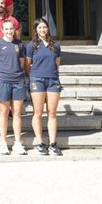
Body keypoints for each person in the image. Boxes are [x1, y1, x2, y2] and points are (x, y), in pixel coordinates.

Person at [0, 19, 27, 155]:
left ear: (14, 30)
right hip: (2, 80)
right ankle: (3, 142)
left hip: (17, 81)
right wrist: (0, 73)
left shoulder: (19, 44)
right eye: (6, 29)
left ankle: (17, 142)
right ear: (2, 30)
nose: (9, 31)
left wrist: (16, 72)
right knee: (4, 112)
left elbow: (22, 62)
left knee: (17, 113)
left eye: (11, 29)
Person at [26, 17, 63, 156]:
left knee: (52, 113)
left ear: (48, 28)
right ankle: (40, 142)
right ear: (35, 30)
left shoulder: (55, 45)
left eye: (44, 27)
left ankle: (53, 143)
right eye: (39, 27)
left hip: (53, 80)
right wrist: (35, 76)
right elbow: (27, 65)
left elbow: (57, 63)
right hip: (37, 80)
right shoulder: (31, 46)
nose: (42, 29)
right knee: (38, 112)